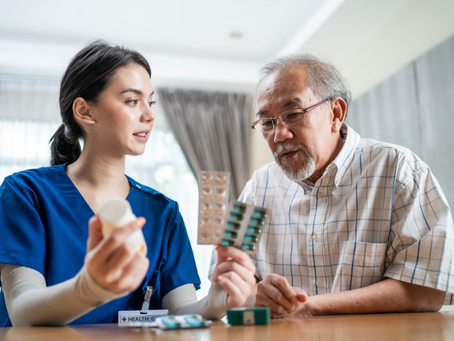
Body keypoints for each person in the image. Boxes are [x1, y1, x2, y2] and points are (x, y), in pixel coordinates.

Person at [0, 41, 256, 327]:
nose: (149, 115)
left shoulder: (163, 212)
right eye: (133, 101)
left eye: (151, 101)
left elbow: (179, 310)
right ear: (85, 111)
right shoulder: (26, 193)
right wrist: (89, 289)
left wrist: (213, 303)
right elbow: (22, 311)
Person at [211, 54, 454, 318]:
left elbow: (428, 289)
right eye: (268, 122)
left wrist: (310, 305)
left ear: (335, 113)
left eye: (293, 114)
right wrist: (254, 296)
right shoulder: (258, 187)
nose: (279, 135)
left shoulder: (399, 169)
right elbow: (225, 287)